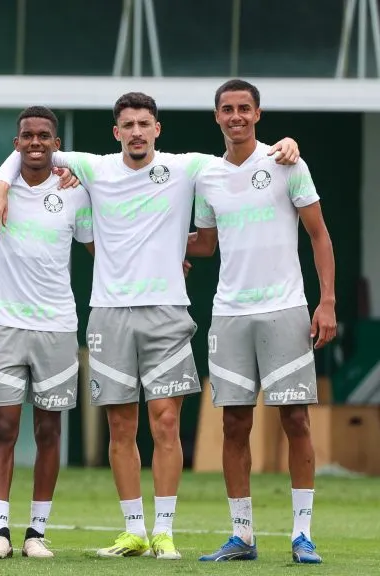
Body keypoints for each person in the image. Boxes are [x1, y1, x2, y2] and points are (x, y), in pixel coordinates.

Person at [0, 92, 300, 560]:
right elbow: (34, 150)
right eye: (127, 124)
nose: (136, 131)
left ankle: (165, 533)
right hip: (109, 313)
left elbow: (241, 155)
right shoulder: (94, 168)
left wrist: (286, 144)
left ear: (158, 129)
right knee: (121, 428)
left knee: (167, 423)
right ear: (116, 133)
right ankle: (134, 530)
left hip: (168, 311)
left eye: (144, 124)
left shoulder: (186, 166)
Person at [189, 79, 334, 564]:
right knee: (233, 424)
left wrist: (326, 301)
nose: (236, 116)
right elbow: (205, 245)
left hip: (285, 309)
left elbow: (318, 234)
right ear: (216, 116)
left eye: (244, 109)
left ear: (258, 113)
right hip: (229, 314)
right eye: (227, 109)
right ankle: (243, 536)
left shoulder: (286, 161)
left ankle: (302, 536)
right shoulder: (206, 177)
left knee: (296, 419)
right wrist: (151, 245)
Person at [0, 107, 93, 559]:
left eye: (44, 135)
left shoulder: (75, 192)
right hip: (5, 326)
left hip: (58, 328)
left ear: (57, 144)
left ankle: (36, 533)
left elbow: (97, 243)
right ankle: (0, 532)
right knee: (4, 428)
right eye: (27, 135)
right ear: (16, 143)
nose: (35, 142)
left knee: (49, 431)